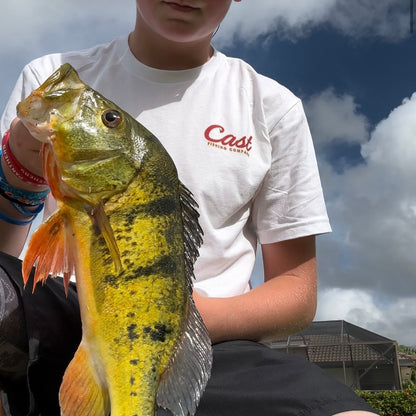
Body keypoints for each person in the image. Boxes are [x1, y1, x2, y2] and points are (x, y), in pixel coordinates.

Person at [0, 1, 379, 415]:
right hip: (56, 312)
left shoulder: (272, 107)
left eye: (108, 119)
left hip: (213, 345)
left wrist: (183, 322)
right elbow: (6, 253)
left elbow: (297, 292)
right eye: (111, 120)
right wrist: (19, 166)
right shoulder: (52, 74)